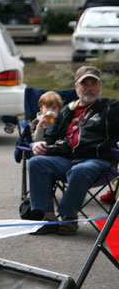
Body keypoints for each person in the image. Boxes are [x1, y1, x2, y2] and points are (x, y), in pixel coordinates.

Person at [29, 66, 119, 235]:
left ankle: (69, 218)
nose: (90, 88)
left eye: (94, 83)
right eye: (84, 84)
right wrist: (38, 144)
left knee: (80, 170)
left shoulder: (111, 108)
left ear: (100, 86)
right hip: (67, 159)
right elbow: (51, 137)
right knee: (36, 162)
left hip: (98, 161)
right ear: (76, 87)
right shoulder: (66, 111)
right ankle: (48, 218)